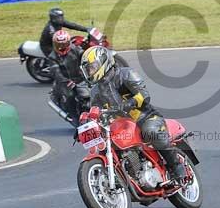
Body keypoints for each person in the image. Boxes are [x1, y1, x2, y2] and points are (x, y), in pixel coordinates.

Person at [79, 46, 186, 181]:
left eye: (92, 67)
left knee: (150, 131)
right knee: (107, 145)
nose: (90, 72)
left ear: (103, 62)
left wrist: (128, 104)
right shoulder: (95, 91)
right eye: (88, 69)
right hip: (120, 125)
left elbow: (144, 95)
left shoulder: (126, 74)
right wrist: (85, 123)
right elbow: (95, 111)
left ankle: (176, 166)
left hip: (145, 117)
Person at [49, 29, 89, 123]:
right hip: (65, 81)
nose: (61, 47)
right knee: (70, 96)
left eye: (63, 44)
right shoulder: (52, 57)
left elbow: (85, 56)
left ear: (68, 43)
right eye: (58, 45)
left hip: (81, 78)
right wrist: (66, 81)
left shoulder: (75, 49)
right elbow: (56, 73)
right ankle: (74, 117)